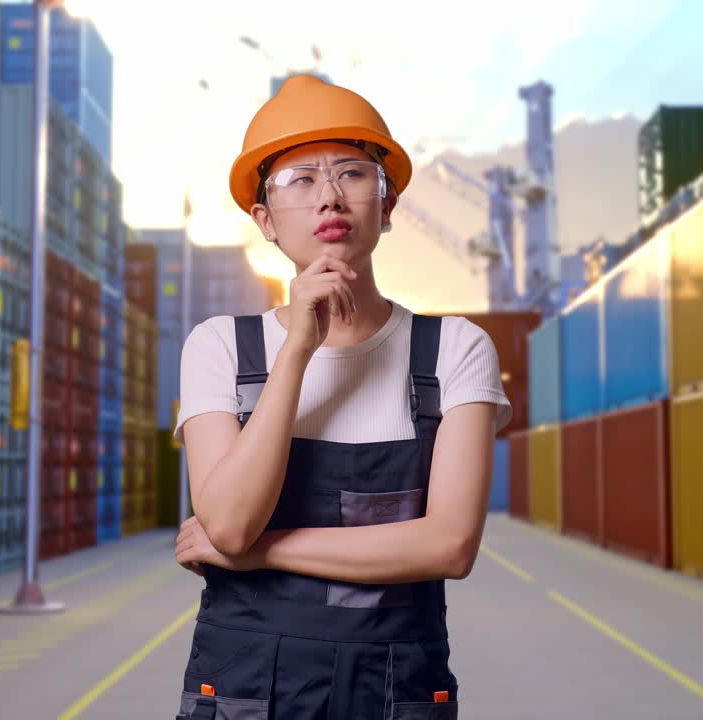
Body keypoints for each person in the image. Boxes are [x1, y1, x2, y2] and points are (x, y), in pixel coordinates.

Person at [172, 74, 512, 719]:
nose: (329, 196)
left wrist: (257, 553)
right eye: (301, 179)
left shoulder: (454, 350)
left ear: (386, 206)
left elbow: (449, 548)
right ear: (265, 221)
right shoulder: (220, 347)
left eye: (353, 173)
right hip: (246, 688)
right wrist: (296, 349)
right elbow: (232, 520)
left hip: (396, 689)